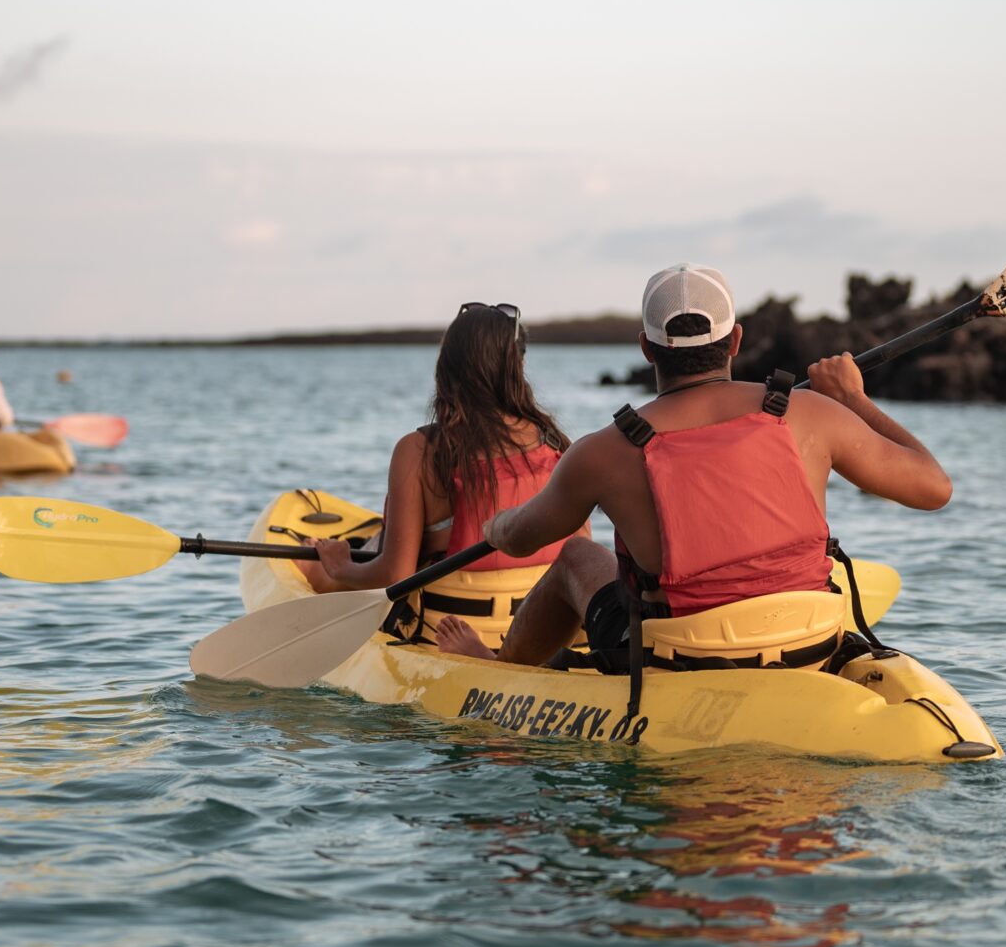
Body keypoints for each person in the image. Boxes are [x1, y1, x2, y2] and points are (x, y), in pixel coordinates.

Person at [437, 263, 950, 671]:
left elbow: (524, 538)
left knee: (576, 555)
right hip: (805, 638)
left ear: (645, 348)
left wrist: (495, 525)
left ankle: (500, 665)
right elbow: (934, 489)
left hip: (684, 654)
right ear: (735, 341)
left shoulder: (602, 451)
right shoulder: (808, 413)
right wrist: (854, 399)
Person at [304, 301, 591, 648]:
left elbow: (395, 577)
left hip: (446, 634)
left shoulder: (420, 452)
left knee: (316, 570)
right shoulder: (559, 445)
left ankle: (321, 566)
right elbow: (580, 553)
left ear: (448, 368)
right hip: (542, 635)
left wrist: (341, 567)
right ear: (518, 366)